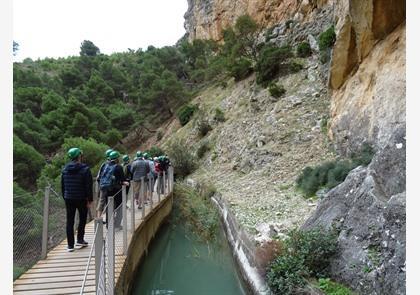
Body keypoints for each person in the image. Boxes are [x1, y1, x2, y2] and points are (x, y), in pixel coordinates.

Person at [61, 147, 93, 252]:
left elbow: (63, 185)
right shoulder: (85, 169)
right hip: (81, 198)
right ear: (79, 156)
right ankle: (80, 239)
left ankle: (70, 246)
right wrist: (90, 200)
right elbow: (88, 186)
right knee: (82, 219)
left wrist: (65, 196)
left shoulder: (65, 169)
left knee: (69, 221)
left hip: (68, 198)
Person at [99, 151, 129, 230]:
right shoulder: (118, 167)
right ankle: (117, 224)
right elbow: (122, 179)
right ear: (116, 159)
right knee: (120, 207)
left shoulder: (105, 165)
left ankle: (108, 225)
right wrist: (125, 182)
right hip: (117, 190)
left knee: (109, 207)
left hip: (107, 190)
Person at [96, 149, 113, 218]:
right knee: (110, 201)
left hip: (103, 185)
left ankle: (99, 217)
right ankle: (109, 218)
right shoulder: (114, 164)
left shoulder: (103, 164)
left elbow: (98, 177)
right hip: (111, 186)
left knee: (101, 201)